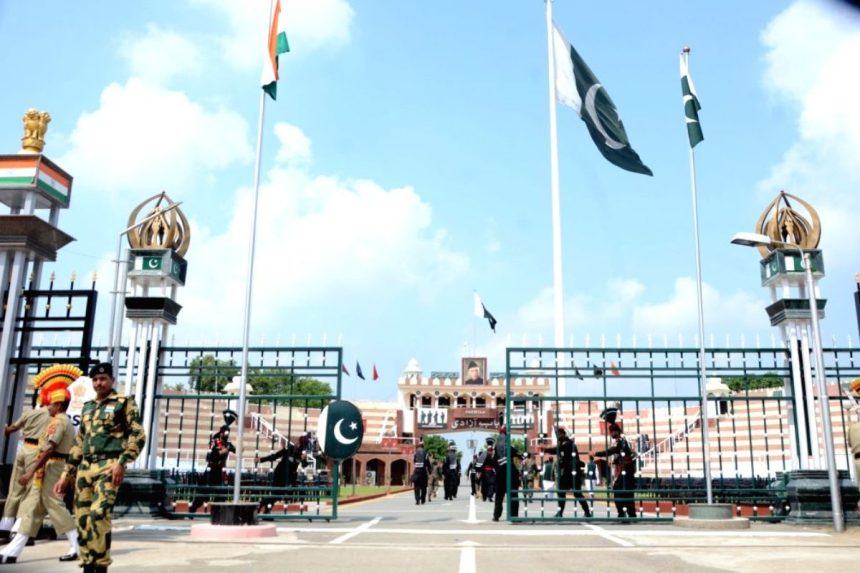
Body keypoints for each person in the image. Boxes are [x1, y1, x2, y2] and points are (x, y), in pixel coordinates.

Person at [54, 362, 146, 573]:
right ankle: (88, 565)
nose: (99, 383)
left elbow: (138, 435)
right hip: (85, 468)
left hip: (109, 466)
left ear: (112, 380)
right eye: (95, 380)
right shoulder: (88, 406)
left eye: (103, 379)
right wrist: (66, 475)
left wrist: (122, 462)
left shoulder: (124, 403)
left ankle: (101, 566)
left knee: (99, 514)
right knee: (83, 518)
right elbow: (79, 442)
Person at [0, 379, 79, 564]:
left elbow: (49, 449)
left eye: (51, 404)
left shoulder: (58, 422)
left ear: (59, 405)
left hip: (51, 467)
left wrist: (30, 472)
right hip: (49, 467)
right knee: (33, 508)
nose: (48, 407)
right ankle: (13, 551)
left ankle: (76, 545)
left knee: (53, 505)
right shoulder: (63, 421)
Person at [0, 385, 51, 542]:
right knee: (29, 492)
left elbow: (11, 429)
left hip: (23, 449)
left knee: (14, 490)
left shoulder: (29, 413)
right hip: (37, 451)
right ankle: (18, 529)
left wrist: (5, 428)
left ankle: (4, 527)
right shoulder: (52, 416)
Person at [543, 427, 591, 518]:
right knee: (561, 492)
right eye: (557, 434)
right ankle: (560, 512)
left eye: (560, 434)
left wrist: (545, 449)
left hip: (573, 472)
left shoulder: (569, 443)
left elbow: (558, 449)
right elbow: (558, 450)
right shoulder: (562, 443)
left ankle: (587, 512)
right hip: (566, 472)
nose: (558, 436)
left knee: (577, 493)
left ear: (564, 434)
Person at [594, 423, 637, 521]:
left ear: (616, 432)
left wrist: (596, 453)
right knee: (626, 492)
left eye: (612, 432)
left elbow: (611, 451)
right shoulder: (623, 441)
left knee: (618, 489)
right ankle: (631, 515)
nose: (610, 434)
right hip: (626, 470)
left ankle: (622, 513)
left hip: (626, 470)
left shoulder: (621, 442)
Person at [189, 423, 236, 513]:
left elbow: (237, 450)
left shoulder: (228, 445)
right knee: (203, 494)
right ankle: (192, 510)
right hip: (211, 470)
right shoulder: (214, 442)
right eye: (225, 433)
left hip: (220, 471)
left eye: (228, 433)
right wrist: (220, 453)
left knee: (221, 494)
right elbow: (208, 457)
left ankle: (216, 513)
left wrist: (238, 447)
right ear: (221, 433)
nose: (226, 435)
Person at [255, 440, 298, 514]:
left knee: (277, 495)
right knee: (276, 494)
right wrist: (261, 459)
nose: (297, 445)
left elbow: (298, 466)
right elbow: (274, 456)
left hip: (286, 477)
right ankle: (264, 507)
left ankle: (263, 506)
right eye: (297, 443)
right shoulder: (288, 450)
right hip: (279, 474)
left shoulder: (299, 454)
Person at [492, 426, 521, 521]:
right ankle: (514, 516)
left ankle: (496, 515)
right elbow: (518, 454)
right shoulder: (509, 444)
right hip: (510, 472)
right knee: (513, 494)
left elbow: (494, 460)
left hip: (500, 473)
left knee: (499, 496)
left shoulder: (496, 445)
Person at [411, 440, 429, 505]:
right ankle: (423, 500)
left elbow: (414, 461)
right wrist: (429, 471)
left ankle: (417, 500)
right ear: (423, 446)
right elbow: (427, 463)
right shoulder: (425, 452)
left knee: (416, 487)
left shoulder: (415, 452)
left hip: (417, 471)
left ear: (418, 445)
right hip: (423, 472)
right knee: (424, 487)